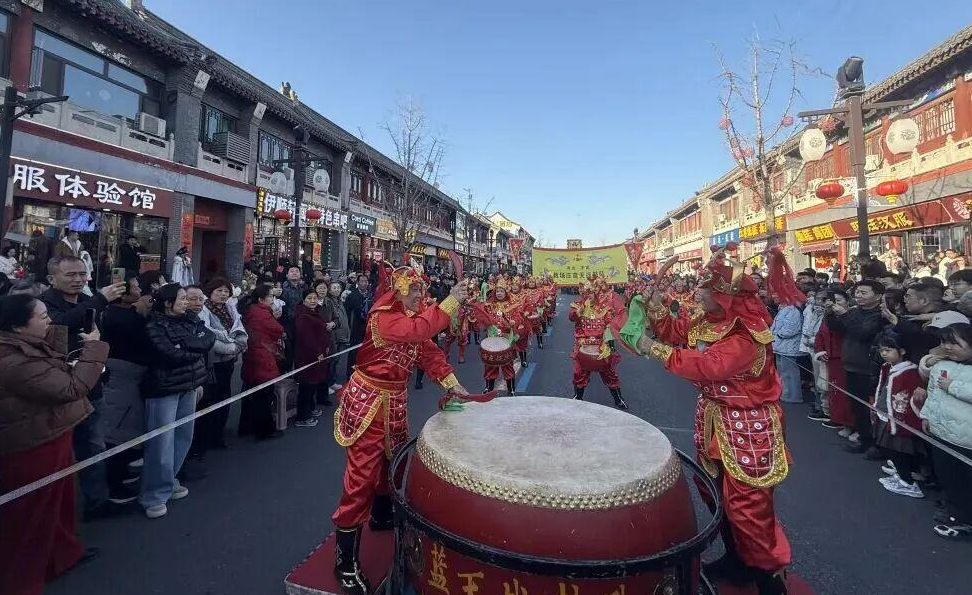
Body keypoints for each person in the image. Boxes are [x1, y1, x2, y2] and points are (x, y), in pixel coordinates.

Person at [625, 249, 796, 595]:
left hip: (748, 425)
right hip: (716, 419)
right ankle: (737, 560)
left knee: (748, 506)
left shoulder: (746, 334)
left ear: (725, 297)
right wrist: (656, 307)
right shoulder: (709, 321)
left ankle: (767, 578)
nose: (697, 293)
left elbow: (708, 365)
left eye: (704, 288)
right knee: (713, 491)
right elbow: (678, 331)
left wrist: (653, 349)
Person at [331, 263, 469, 595]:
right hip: (369, 403)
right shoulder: (385, 318)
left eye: (423, 290)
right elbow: (419, 332)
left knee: (392, 463)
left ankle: (381, 516)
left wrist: (453, 384)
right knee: (360, 477)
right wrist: (450, 301)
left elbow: (429, 352)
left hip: (394, 401)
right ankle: (344, 561)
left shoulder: (414, 316)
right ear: (399, 291)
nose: (421, 295)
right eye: (415, 290)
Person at [0, 294, 108, 595]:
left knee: (61, 501)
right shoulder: (12, 361)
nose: (50, 320)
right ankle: (21, 583)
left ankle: (62, 554)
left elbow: (55, 368)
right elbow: (72, 387)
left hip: (54, 432)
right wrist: (94, 348)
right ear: (19, 327)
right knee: (31, 517)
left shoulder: (27, 346)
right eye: (43, 316)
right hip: (31, 445)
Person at [39, 256, 127, 520]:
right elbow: (59, 325)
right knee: (61, 454)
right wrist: (99, 299)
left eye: (82, 274)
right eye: (70, 275)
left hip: (92, 385)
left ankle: (97, 501)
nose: (78, 280)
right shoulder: (44, 305)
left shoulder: (86, 301)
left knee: (94, 445)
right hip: (61, 389)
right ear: (51, 279)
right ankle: (57, 515)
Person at [140, 283, 214, 518]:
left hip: (190, 385)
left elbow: (208, 339)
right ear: (168, 302)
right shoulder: (154, 324)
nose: (187, 302)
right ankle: (153, 495)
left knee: (183, 435)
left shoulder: (191, 319)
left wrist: (186, 345)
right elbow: (169, 354)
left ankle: (170, 480)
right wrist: (191, 348)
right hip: (165, 388)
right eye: (182, 299)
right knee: (161, 442)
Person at [100, 276, 153, 505]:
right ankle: (114, 485)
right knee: (117, 427)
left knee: (129, 424)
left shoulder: (128, 314)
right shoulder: (116, 316)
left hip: (132, 374)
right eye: (136, 287)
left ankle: (124, 471)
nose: (140, 291)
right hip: (122, 375)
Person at [919, 323, 972, 539]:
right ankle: (955, 512)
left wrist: (953, 386)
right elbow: (933, 393)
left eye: (955, 343)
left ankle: (966, 521)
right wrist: (927, 415)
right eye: (944, 342)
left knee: (965, 481)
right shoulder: (944, 364)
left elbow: (948, 388)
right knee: (948, 476)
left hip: (966, 439)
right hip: (942, 431)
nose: (947, 347)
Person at [826, 279, 888, 455]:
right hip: (851, 365)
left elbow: (862, 333)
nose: (859, 296)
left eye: (864, 293)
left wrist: (844, 314)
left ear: (877, 296)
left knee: (869, 407)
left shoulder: (879, 315)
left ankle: (875, 443)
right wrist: (830, 313)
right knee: (857, 406)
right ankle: (864, 439)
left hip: (868, 368)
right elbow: (838, 329)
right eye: (857, 292)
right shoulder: (855, 311)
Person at [871, 332, 926, 499]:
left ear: (902, 351)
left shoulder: (910, 372)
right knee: (892, 449)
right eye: (882, 351)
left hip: (900, 419)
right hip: (886, 415)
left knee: (898, 450)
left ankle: (908, 482)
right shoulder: (887, 367)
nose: (884, 354)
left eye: (888, 350)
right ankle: (903, 475)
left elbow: (910, 398)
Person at [195, 278, 248, 450]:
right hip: (212, 362)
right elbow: (207, 334)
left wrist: (238, 346)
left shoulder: (230, 308)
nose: (223, 294)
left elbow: (240, 329)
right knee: (209, 400)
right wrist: (229, 348)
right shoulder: (203, 310)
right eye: (219, 291)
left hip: (228, 361)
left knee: (224, 396)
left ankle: (219, 433)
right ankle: (204, 437)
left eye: (226, 291)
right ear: (210, 292)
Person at [568, 278, 626, 408]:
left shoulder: (604, 308)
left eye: (592, 293)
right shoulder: (578, 305)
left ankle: (618, 399)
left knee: (610, 373)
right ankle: (578, 396)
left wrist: (609, 339)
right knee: (579, 373)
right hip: (583, 344)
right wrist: (580, 311)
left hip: (601, 345)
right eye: (587, 293)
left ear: (596, 293)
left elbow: (610, 323)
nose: (590, 295)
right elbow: (572, 317)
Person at [239, 284, 285, 440]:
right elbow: (278, 330)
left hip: (252, 354)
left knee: (251, 393)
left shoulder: (251, 311)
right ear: (261, 299)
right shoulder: (262, 314)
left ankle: (246, 427)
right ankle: (264, 430)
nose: (273, 299)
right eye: (270, 296)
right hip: (263, 356)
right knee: (264, 395)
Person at [470, 276, 527, 396]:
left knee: (507, 364)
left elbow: (518, 317)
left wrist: (513, 322)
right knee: (490, 364)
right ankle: (488, 388)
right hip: (492, 337)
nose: (499, 293)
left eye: (502, 291)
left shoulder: (512, 305)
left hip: (506, 338)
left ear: (506, 292)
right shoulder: (489, 305)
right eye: (497, 291)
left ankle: (511, 389)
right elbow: (482, 316)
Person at [815, 289, 856, 437]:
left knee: (845, 394)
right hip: (830, 358)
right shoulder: (827, 315)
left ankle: (850, 424)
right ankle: (837, 418)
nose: (835, 304)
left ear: (847, 300)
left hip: (845, 358)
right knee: (832, 392)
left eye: (839, 300)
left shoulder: (851, 315)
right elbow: (819, 335)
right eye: (832, 301)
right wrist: (820, 351)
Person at [293, 289, 332, 427]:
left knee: (313, 385)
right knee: (306, 386)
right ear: (304, 300)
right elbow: (306, 338)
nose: (313, 300)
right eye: (309, 298)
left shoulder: (315, 312)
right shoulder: (303, 315)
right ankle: (302, 417)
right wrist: (317, 352)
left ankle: (311, 408)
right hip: (307, 356)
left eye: (315, 298)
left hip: (318, 354)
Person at [770, 293, 804, 404]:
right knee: (782, 372)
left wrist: (776, 335)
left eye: (776, 294)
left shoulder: (793, 310)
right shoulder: (784, 309)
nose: (774, 297)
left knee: (789, 373)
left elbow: (790, 330)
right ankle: (785, 393)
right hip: (780, 346)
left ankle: (793, 396)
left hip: (789, 347)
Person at [344, 273, 372, 379]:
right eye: (362, 281)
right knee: (353, 352)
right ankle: (350, 375)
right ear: (358, 283)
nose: (364, 283)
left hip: (368, 328)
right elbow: (346, 312)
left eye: (366, 281)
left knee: (366, 351)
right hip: (355, 327)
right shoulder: (352, 296)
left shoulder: (370, 296)